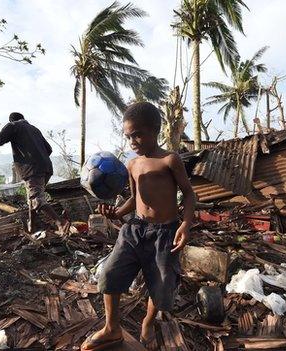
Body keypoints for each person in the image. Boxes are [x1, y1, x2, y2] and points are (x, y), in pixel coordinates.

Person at [81, 102, 196, 351]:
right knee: (110, 273)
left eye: (138, 134)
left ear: (155, 130)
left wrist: (185, 224)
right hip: (135, 230)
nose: (133, 141)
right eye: (128, 136)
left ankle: (147, 322)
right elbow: (134, 199)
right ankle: (112, 328)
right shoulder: (132, 164)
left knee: (161, 283)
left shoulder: (170, 160)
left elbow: (188, 194)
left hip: (165, 233)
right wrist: (116, 212)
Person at [0, 112, 70, 234]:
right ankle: (33, 227)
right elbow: (49, 149)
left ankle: (60, 223)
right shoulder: (35, 130)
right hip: (46, 168)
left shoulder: (12, 126)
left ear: (11, 120)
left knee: (36, 199)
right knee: (32, 199)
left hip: (32, 169)